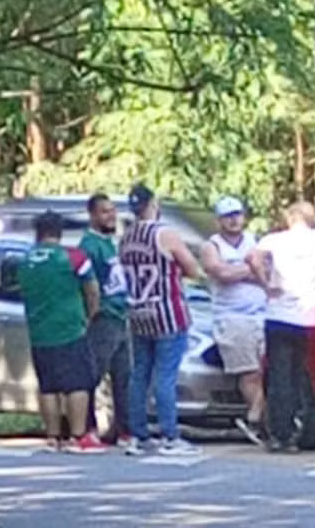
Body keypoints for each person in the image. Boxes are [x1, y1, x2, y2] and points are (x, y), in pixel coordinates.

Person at [247, 202, 315, 453]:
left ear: (291, 218)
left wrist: (265, 283)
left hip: (277, 315)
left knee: (278, 376)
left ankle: (279, 433)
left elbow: (252, 257)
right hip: (306, 318)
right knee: (298, 375)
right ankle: (294, 426)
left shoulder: (275, 240)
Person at [119, 183, 204, 456]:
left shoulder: (127, 236)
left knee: (140, 373)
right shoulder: (164, 233)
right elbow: (191, 268)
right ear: (153, 204)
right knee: (165, 375)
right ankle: (170, 434)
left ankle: (138, 433)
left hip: (138, 311)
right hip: (167, 311)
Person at [17, 210, 106, 453]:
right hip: (70, 329)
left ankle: (52, 437)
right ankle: (78, 437)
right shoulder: (75, 257)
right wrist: (91, 315)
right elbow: (93, 290)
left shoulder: (25, 260)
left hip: (39, 332)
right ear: (60, 231)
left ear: (38, 232)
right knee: (77, 384)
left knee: (48, 386)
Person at [199, 196, 268, 447]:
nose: (234, 220)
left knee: (266, 370)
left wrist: (242, 271)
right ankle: (254, 418)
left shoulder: (254, 241)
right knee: (249, 372)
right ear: (219, 220)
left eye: (237, 214)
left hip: (262, 313)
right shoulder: (211, 246)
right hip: (233, 317)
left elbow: (267, 272)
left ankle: (260, 418)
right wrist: (251, 270)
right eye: (228, 216)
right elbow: (221, 273)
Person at [80, 193, 132, 447]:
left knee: (124, 375)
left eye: (113, 211)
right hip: (104, 317)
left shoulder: (111, 243)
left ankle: (123, 429)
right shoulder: (89, 245)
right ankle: (86, 427)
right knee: (94, 373)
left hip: (121, 314)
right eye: (104, 212)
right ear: (92, 215)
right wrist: (94, 312)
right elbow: (89, 284)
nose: (111, 216)